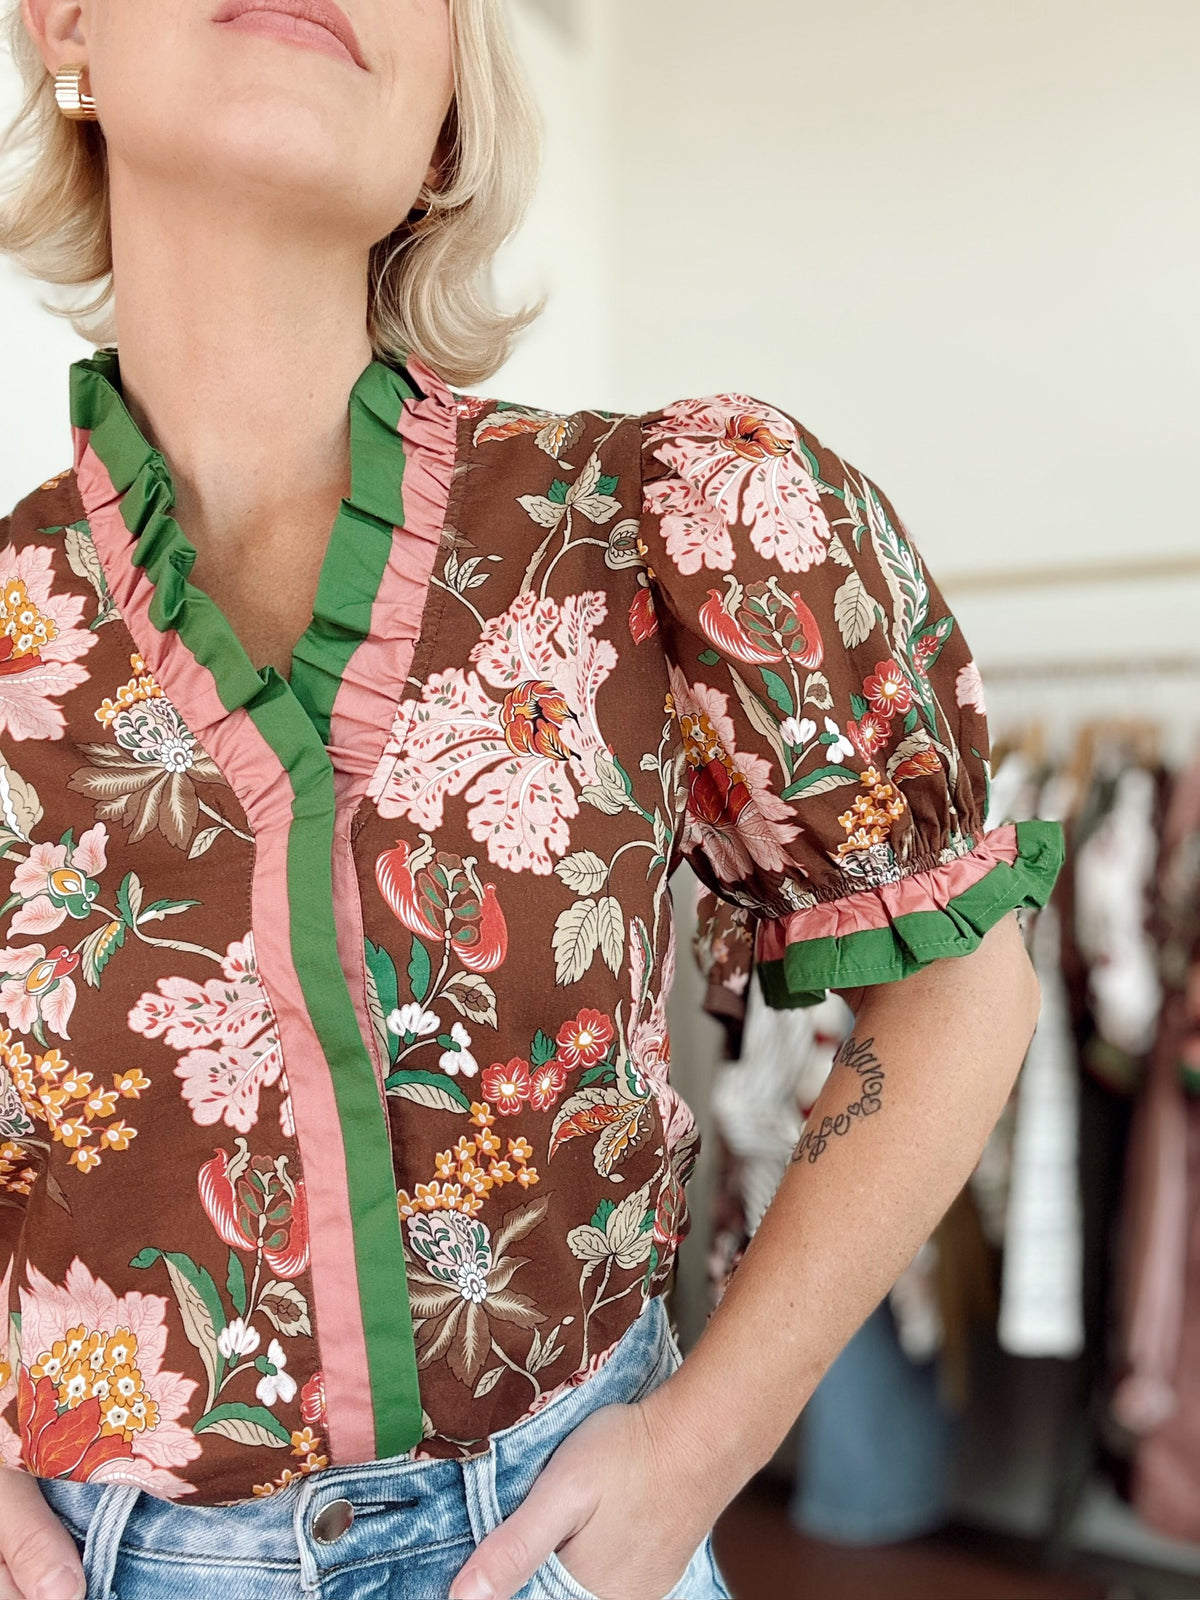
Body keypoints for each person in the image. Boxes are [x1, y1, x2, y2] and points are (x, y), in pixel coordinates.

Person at [0, 2, 1064, 1597]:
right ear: (62, 21)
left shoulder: (675, 524)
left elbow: (958, 994)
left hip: (566, 1545)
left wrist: (705, 1444)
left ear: (444, 120)